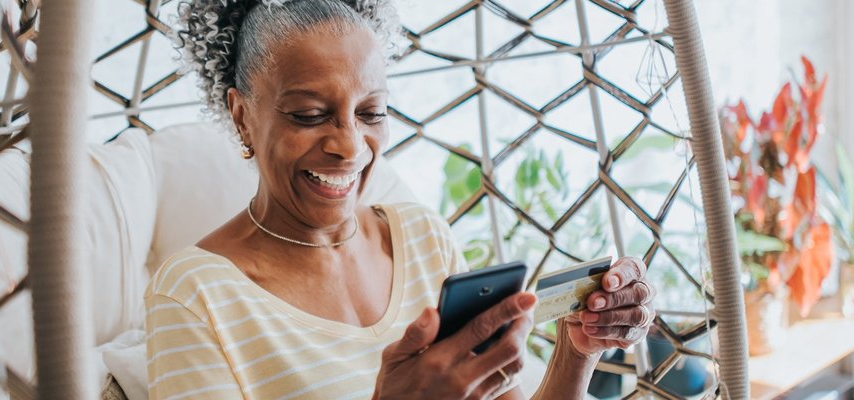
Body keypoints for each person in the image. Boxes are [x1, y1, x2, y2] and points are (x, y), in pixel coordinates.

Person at [145, 0, 656, 398]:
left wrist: (577, 350)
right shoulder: (194, 296)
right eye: (307, 114)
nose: (348, 145)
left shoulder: (420, 237)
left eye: (370, 113)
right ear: (241, 116)